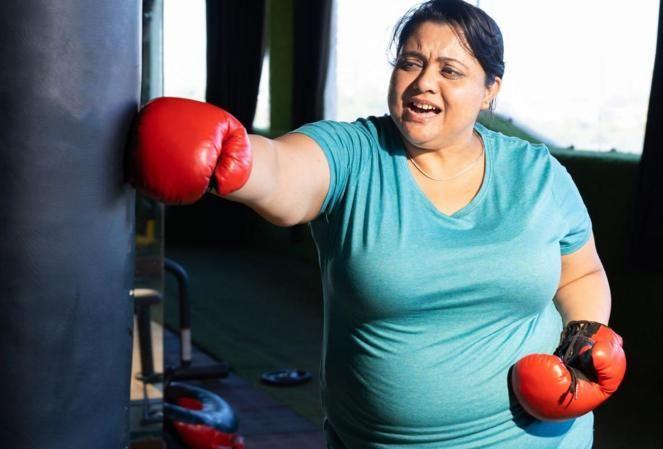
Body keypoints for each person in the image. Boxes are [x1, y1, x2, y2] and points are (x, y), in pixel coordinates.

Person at [127, 1, 626, 447]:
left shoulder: (538, 175)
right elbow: (284, 171)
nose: (424, 81)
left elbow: (580, 272)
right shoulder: (355, 154)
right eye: (411, 62)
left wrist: (584, 335)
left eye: (450, 70)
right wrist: (233, 158)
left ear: (489, 90)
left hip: (539, 438)